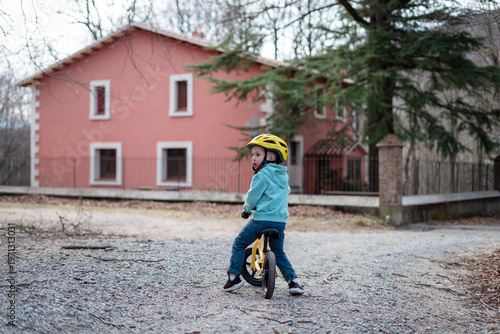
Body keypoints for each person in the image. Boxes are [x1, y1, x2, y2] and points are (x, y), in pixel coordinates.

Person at [223, 134, 304, 295]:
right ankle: (293, 282)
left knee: (239, 243)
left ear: (271, 156)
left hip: (260, 221)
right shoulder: (283, 176)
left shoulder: (261, 176)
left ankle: (233, 279)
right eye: (253, 155)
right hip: (279, 222)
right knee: (279, 252)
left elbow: (253, 196)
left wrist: (246, 210)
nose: (253, 158)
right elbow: (284, 195)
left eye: (258, 154)